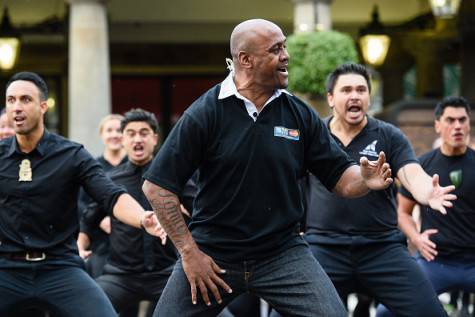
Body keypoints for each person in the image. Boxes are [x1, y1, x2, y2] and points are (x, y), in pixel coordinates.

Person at [142, 19, 394, 317]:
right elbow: (157, 187)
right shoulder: (205, 113)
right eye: (276, 49)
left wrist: (365, 179)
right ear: (245, 59)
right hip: (214, 253)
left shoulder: (298, 114)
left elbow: (341, 178)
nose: (286, 55)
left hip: (282, 253)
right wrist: (189, 253)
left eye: (285, 47)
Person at [0, 71, 163, 317]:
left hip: (59, 268)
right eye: (11, 100)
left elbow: (111, 195)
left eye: (25, 99)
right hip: (7, 270)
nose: (16, 107)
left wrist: (142, 218)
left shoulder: (71, 155)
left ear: (43, 106)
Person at [303, 63, 456, 317]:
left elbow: (411, 173)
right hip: (323, 249)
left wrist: (426, 192)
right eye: (347, 90)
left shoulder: (388, 135)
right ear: (331, 98)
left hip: (381, 248)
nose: (355, 95)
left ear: (368, 97)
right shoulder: (314, 135)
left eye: (361, 90)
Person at [377, 96, 475, 317]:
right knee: (385, 313)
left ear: (469, 124)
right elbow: (402, 212)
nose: (457, 126)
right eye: (450, 120)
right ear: (438, 125)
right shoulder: (421, 166)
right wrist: (417, 238)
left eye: (462, 120)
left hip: (473, 262)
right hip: (435, 262)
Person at [77, 108, 179, 314]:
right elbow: (88, 220)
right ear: (123, 139)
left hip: (167, 274)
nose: (137, 139)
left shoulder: (173, 176)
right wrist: (80, 248)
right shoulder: (109, 180)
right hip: (120, 276)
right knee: (85, 309)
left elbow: (199, 213)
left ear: (155, 138)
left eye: (144, 133)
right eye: (131, 134)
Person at [78, 114, 127, 278]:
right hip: (100, 243)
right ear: (102, 135)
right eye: (109, 130)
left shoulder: (134, 165)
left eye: (119, 130)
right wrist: (99, 219)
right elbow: (81, 202)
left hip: (131, 243)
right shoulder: (92, 166)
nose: (114, 135)